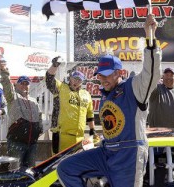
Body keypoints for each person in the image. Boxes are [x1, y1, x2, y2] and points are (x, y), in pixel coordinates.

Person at [57, 14, 162, 187]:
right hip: (106, 152)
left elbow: (152, 72)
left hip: (129, 155)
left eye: (107, 75)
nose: (103, 79)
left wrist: (150, 37)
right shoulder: (106, 93)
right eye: (100, 76)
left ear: (119, 73)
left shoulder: (135, 88)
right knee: (66, 168)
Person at [0, 60, 43, 169]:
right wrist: (4, 71)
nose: (24, 86)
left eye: (26, 83)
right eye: (22, 83)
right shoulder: (12, 97)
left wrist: (39, 130)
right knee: (15, 171)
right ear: (16, 85)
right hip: (16, 143)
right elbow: (6, 85)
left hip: (32, 144)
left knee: (30, 172)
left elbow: (40, 117)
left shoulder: (34, 101)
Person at [46, 61, 96, 151]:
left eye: (79, 80)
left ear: (82, 82)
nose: (76, 81)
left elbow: (90, 115)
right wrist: (54, 65)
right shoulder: (61, 88)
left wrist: (92, 130)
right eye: (74, 78)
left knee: (76, 163)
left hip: (80, 137)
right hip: (62, 135)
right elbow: (49, 79)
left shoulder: (86, 94)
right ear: (70, 78)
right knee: (59, 163)